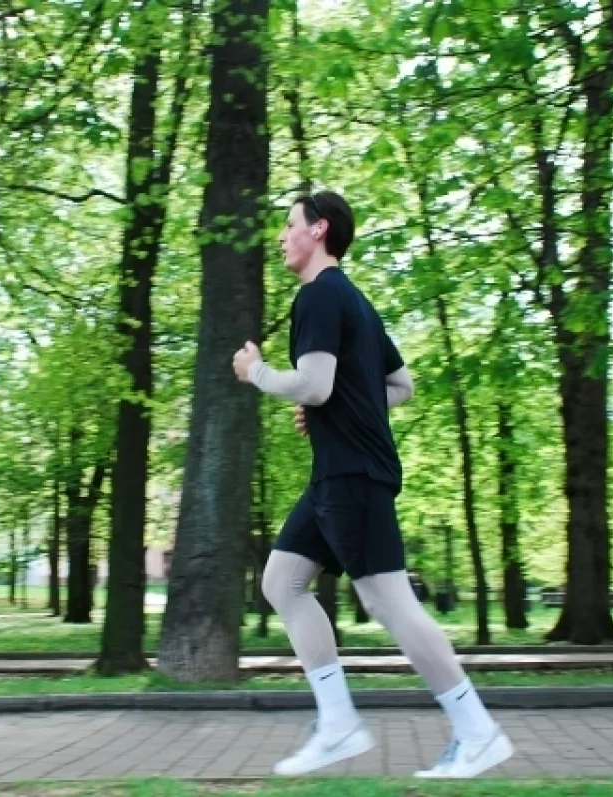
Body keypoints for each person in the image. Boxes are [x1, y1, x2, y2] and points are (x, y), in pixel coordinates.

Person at [231, 191, 513, 779]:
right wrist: (342, 404)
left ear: (318, 230)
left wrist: (256, 373)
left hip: (353, 475)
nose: (281, 237)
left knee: (389, 601)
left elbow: (314, 386)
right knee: (282, 581)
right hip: (336, 475)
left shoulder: (317, 295)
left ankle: (477, 731)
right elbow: (400, 386)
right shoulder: (357, 301)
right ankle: (338, 724)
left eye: (289, 225)